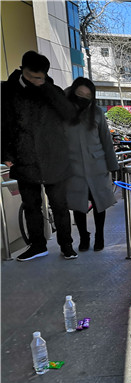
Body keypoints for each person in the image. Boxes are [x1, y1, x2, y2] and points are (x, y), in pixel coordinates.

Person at [1, 51, 77, 261]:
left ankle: (66, 245)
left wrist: (46, 88)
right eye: (32, 76)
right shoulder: (7, 91)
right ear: (22, 70)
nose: (36, 81)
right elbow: (3, 124)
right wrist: (5, 153)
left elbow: (70, 115)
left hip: (55, 158)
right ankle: (37, 246)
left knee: (60, 205)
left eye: (40, 77)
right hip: (24, 157)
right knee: (30, 205)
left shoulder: (53, 91)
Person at [64, 77, 119, 252]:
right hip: (74, 168)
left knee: (99, 203)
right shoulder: (63, 112)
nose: (83, 98)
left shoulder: (97, 113)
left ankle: (99, 236)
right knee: (78, 205)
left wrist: (113, 166)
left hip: (97, 166)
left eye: (88, 96)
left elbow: (106, 141)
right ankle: (83, 236)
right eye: (80, 93)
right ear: (73, 91)